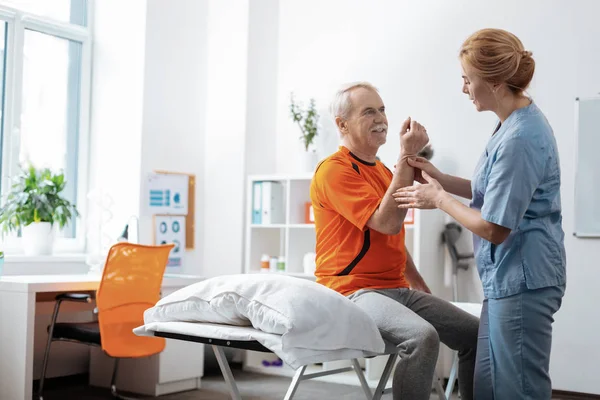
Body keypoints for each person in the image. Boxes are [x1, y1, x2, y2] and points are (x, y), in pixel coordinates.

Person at [393, 28, 566, 399]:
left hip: (524, 280)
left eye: (467, 80)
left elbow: (495, 227)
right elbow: (494, 191)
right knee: (488, 387)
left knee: (518, 390)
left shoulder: (522, 137)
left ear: (496, 82)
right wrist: (442, 179)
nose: (464, 88)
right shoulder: (510, 124)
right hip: (505, 280)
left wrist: (438, 198)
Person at [310, 81, 479, 400]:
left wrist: (415, 279)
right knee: (422, 337)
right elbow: (386, 223)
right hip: (352, 290)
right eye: (369, 111)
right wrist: (406, 155)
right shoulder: (333, 171)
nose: (381, 118)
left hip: (394, 287)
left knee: (475, 334)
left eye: (383, 110)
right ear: (342, 124)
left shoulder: (386, 173)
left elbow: (392, 239)